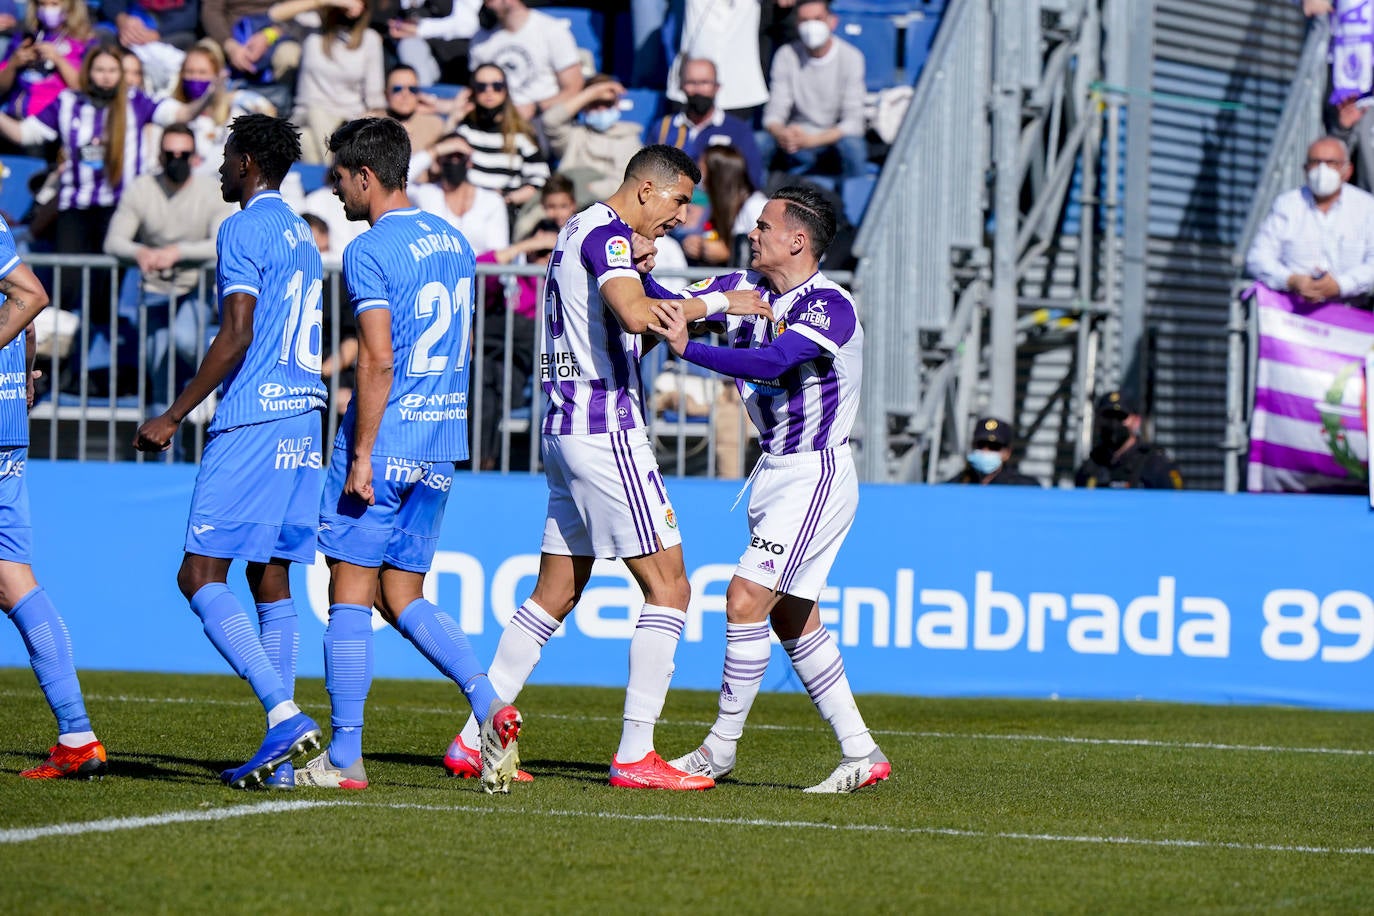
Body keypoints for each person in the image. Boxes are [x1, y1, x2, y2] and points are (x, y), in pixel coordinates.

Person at [440, 144, 768, 790]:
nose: (681, 218)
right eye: (678, 202)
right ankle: (635, 755)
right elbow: (639, 316)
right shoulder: (608, 238)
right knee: (671, 588)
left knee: (556, 592)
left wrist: (688, 291)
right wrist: (723, 303)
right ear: (647, 190)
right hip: (603, 431)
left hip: (564, 431)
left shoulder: (583, 230)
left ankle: (472, 737)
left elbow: (639, 303)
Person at [641, 185, 889, 794]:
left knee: (745, 598)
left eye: (764, 226)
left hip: (816, 472)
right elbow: (676, 300)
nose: (753, 234)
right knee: (794, 621)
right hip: (775, 471)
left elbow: (774, 362)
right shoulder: (745, 291)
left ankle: (719, 749)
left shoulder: (831, 306)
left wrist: (689, 349)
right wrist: (630, 268)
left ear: (796, 241)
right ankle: (862, 751)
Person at [306, 116, 522, 793]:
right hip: (439, 446)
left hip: (386, 439)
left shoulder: (370, 250)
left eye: (340, 178)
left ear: (366, 176)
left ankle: (344, 758)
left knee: (349, 591)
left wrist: (362, 454)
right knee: (401, 595)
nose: (337, 191)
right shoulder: (453, 240)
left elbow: (376, 357)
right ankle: (489, 705)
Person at [132, 113, 325, 788]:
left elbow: (236, 332)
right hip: (306, 420)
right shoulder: (301, 232)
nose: (219, 167)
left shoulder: (241, 227)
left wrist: (175, 413)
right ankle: (280, 759)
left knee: (197, 575)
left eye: (226, 157)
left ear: (248, 164)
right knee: (269, 578)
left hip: (255, 419)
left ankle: (284, 715)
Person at [0, 205, 108, 779]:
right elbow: (26, 312)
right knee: (14, 580)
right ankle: (77, 735)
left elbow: (30, 294)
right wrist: (25, 372)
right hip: (6, 424)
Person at [0, 41, 213, 330]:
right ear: (88, 71)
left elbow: (182, 115)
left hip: (119, 210)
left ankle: (100, 369)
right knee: (69, 290)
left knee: (106, 297)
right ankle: (62, 368)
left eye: (112, 70)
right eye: (99, 69)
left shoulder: (136, 102)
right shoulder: (68, 102)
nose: (105, 76)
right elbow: (24, 134)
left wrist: (210, 94)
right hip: (75, 210)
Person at [103, 122, 237, 417]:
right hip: (153, 291)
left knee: (186, 338)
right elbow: (113, 241)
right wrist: (140, 252)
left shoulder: (211, 191)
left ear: (195, 157)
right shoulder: (142, 188)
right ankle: (165, 454)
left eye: (184, 153)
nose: (177, 159)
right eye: (170, 153)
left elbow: (219, 242)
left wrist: (177, 254)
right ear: (160, 156)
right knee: (157, 367)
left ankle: (209, 383)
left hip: (194, 289)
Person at [1245, 136, 1374, 307]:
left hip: (1350, 314)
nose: (1322, 170)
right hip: (1294, 314)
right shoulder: (1287, 204)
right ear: (1305, 169)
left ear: (1348, 170)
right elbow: (1258, 258)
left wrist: (1341, 285)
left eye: (1331, 163)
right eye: (1315, 162)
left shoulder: (1366, 206)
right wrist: (1292, 280)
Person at [473, 217, 558, 470]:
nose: (542, 258)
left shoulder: (564, 284)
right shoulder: (513, 279)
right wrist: (525, 246)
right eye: (539, 251)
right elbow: (478, 267)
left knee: (494, 378)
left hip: (524, 364)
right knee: (485, 378)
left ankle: (483, 462)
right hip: (494, 358)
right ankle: (482, 462)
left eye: (549, 252)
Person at [759, 0, 868, 179]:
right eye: (805, 20)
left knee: (853, 146)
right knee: (759, 142)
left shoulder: (851, 57)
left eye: (818, 19)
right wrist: (782, 133)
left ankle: (857, 200)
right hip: (794, 137)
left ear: (832, 22)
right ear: (797, 24)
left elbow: (853, 122)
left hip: (830, 140)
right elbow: (774, 112)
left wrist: (813, 140)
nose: (811, 26)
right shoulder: (787, 55)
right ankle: (756, 201)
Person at [272, 0, 384, 164]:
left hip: (346, 119)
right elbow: (275, 14)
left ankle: (331, 176)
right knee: (314, 115)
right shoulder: (313, 29)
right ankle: (338, 168)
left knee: (306, 141)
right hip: (307, 112)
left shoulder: (370, 39)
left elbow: (375, 99)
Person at [650, 57, 764, 189]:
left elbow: (752, 180)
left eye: (704, 82)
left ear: (717, 87)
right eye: (691, 82)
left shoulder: (738, 130)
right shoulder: (664, 127)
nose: (698, 90)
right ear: (681, 86)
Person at [175, 39, 278, 178]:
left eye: (202, 72)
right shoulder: (171, 110)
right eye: (190, 72)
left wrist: (230, 96)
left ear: (218, 76)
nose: (195, 78)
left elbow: (269, 111)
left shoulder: (233, 112)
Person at [467, 0, 584, 122]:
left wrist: (535, 108)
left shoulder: (552, 30)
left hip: (542, 121)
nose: (487, 4)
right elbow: (475, 87)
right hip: (495, 119)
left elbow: (574, 88)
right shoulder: (481, 39)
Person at [542, 73, 644, 201]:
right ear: (584, 106)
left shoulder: (628, 138)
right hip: (563, 209)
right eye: (594, 103)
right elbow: (550, 120)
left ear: (617, 104)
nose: (601, 109)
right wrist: (592, 92)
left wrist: (585, 189)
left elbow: (625, 184)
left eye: (607, 103)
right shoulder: (575, 134)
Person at [409, 132, 510, 255]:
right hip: (437, 273)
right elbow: (399, 180)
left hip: (477, 273)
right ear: (439, 161)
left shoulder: (492, 201)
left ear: (470, 161)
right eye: (449, 155)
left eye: (460, 155)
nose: (455, 161)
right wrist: (436, 150)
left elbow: (497, 253)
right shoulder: (426, 194)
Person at [0, 0, 93, 124]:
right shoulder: (25, 36)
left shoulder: (84, 42)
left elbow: (83, 87)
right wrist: (13, 64)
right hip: (15, 115)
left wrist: (58, 59)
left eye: (54, 4)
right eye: (42, 4)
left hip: (54, 122)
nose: (47, 9)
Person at [1075, 391, 1184, 490]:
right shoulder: (1091, 466)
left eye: (1120, 417)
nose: (1113, 423)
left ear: (1136, 421)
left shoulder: (1156, 465)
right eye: (1108, 416)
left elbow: (1175, 504)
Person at [682, 144, 767, 267]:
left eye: (701, 169)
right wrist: (696, 244)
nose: (697, 176)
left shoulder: (755, 205)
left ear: (717, 174)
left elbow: (768, 250)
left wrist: (729, 253)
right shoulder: (714, 206)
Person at [945, 416, 1043, 486]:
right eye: (981, 445)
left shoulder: (1022, 487)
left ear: (1007, 453)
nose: (985, 450)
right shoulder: (956, 484)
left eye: (994, 447)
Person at [382, 64, 446, 156]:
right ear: (386, 94)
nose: (405, 94)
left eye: (412, 89)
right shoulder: (369, 125)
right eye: (397, 89)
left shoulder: (435, 125)